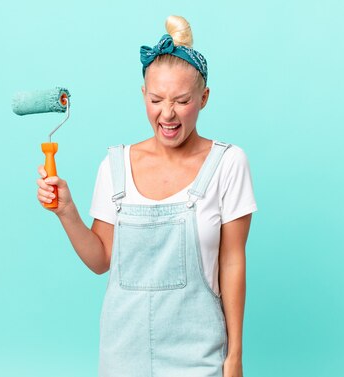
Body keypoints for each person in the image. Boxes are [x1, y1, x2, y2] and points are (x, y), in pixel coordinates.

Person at [36, 15, 257, 377]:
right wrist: (67, 212)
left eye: (182, 101)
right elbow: (100, 259)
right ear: (143, 95)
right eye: (156, 100)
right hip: (123, 354)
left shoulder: (228, 163)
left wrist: (234, 358)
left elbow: (232, 263)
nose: (167, 114)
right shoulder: (115, 166)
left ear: (204, 98)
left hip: (199, 353)